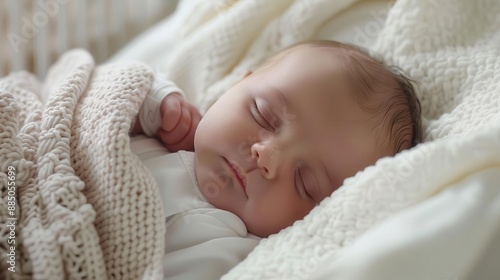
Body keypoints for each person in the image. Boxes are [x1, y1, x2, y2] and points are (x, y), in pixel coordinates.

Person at [129, 40, 422, 278]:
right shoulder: (166, 120)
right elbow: (106, 93)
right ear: (237, 85)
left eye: (304, 181)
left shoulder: (228, 249)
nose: (265, 154)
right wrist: (158, 103)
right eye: (264, 115)